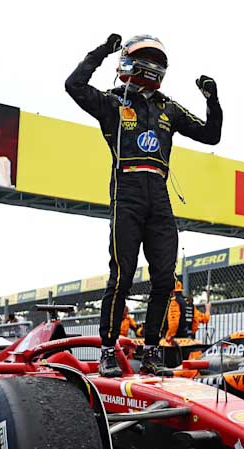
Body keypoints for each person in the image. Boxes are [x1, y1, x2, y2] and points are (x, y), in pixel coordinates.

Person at [65, 33, 222, 376]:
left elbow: (211, 134)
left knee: (166, 278)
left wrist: (212, 99)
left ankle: (151, 350)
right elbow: (73, 84)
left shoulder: (168, 107)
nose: (151, 64)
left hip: (160, 197)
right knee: (121, 275)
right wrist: (104, 51)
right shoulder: (112, 102)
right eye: (144, 58)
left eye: (156, 59)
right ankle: (108, 350)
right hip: (127, 192)